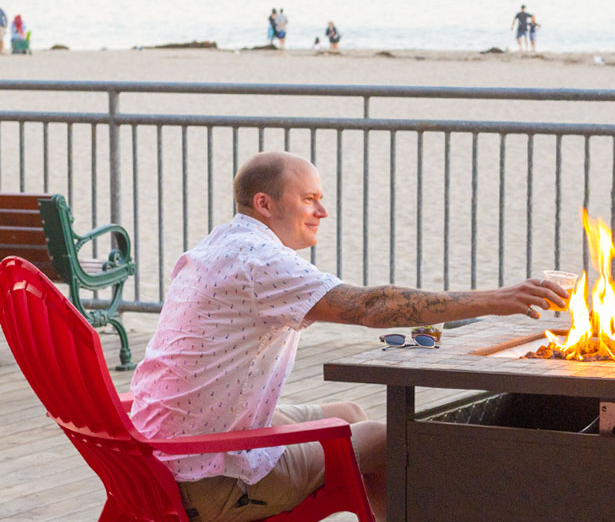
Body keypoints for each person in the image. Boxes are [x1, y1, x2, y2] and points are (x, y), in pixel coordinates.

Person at [130, 151, 567, 521]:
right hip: (206, 475)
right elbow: (369, 307)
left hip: (161, 448)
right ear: (264, 203)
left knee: (351, 411)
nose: (322, 213)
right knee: (389, 440)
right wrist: (494, 299)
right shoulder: (259, 261)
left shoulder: (220, 245)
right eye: (309, 200)